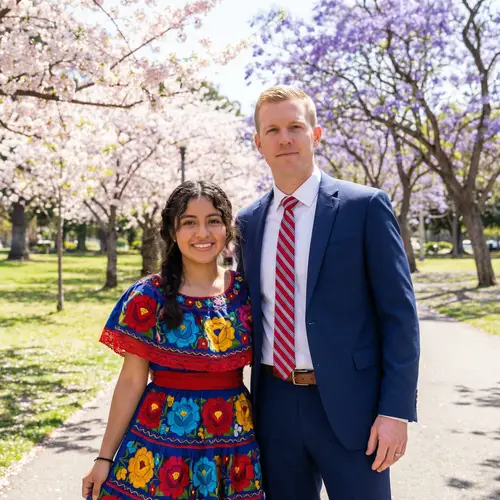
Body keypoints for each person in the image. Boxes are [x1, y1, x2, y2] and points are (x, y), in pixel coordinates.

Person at [235, 86, 420, 500]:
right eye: (273, 129)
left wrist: (395, 411)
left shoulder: (365, 207)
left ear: (315, 134)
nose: (285, 138)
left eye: (296, 127)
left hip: (354, 411)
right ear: (258, 142)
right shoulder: (247, 222)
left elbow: (399, 317)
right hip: (274, 409)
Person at [82, 181, 265, 500]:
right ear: (171, 230)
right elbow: (131, 380)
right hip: (160, 444)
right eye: (189, 222)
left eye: (213, 220)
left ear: (227, 228)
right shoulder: (147, 296)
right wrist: (104, 457)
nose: (203, 233)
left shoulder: (246, 292)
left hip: (233, 443)